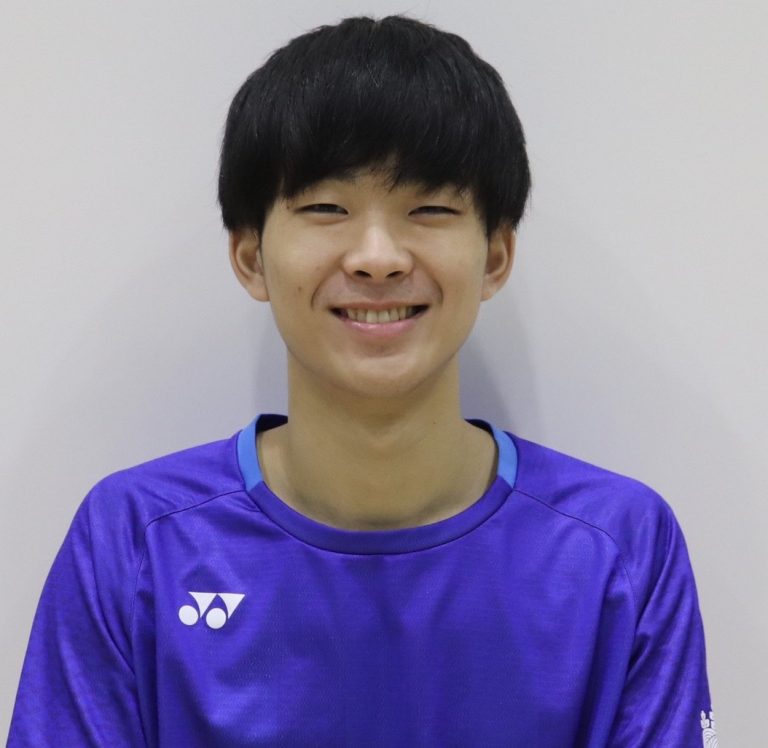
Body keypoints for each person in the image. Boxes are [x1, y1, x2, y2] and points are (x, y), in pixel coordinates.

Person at [8, 14, 715, 747]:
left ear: (497, 257)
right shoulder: (135, 541)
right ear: (250, 257)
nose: (378, 257)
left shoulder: (618, 548)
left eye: (429, 208)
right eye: (326, 208)